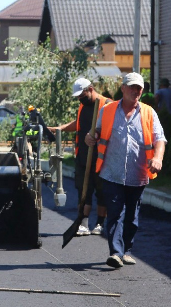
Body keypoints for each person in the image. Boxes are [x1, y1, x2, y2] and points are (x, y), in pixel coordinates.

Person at [86, 72, 166, 268]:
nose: (136, 91)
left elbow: (160, 139)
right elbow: (96, 131)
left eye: (139, 88)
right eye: (132, 87)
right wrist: (91, 136)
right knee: (115, 213)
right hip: (111, 172)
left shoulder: (148, 113)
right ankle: (115, 252)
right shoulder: (108, 110)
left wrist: (157, 158)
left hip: (137, 174)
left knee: (132, 216)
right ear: (123, 88)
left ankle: (127, 250)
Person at [48, 78, 111, 237]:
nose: (79, 99)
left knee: (102, 192)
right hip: (83, 157)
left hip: (102, 159)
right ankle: (83, 223)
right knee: (83, 190)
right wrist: (59, 129)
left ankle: (100, 223)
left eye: (81, 95)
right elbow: (79, 123)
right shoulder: (83, 106)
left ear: (90, 89)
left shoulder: (107, 105)